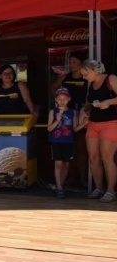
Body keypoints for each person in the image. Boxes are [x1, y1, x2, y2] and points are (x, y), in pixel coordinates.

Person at [79, 59, 117, 203]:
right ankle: (98, 188)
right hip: (93, 123)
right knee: (94, 158)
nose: (83, 77)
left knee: (107, 158)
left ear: (94, 71)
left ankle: (111, 191)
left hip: (111, 123)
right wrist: (83, 110)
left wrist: (108, 102)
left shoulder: (111, 79)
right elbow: (89, 102)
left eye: (84, 74)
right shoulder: (91, 84)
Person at [50, 52, 88, 187]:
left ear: (82, 63)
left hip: (81, 113)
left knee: (81, 149)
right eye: (70, 62)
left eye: (74, 62)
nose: (71, 64)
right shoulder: (66, 77)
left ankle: (83, 179)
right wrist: (60, 101)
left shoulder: (86, 78)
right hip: (67, 113)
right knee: (69, 147)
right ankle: (71, 178)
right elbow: (53, 87)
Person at [48, 87, 84, 199]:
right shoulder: (52, 112)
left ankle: (61, 186)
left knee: (66, 164)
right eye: (59, 99)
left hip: (68, 141)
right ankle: (59, 188)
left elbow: (74, 129)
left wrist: (83, 124)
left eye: (64, 98)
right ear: (56, 100)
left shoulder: (73, 112)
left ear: (69, 99)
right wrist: (57, 119)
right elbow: (49, 128)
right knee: (58, 164)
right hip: (56, 141)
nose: (62, 101)